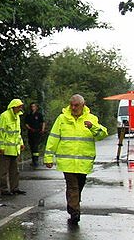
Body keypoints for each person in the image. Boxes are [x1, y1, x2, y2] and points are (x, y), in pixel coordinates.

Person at [44, 94, 109, 225]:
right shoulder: (62, 119)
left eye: (76, 105)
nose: (73, 108)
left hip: (84, 163)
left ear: (83, 105)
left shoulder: (91, 119)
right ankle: (74, 213)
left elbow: (102, 135)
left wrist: (92, 127)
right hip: (67, 162)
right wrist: (48, 157)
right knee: (72, 187)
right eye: (71, 105)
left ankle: (73, 205)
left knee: (79, 186)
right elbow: (53, 138)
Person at [0, 98, 26, 196]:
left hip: (14, 149)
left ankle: (15, 188)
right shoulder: (4, 116)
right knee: (4, 171)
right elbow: (0, 132)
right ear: (13, 107)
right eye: (19, 107)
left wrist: (21, 143)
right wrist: (1, 146)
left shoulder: (17, 116)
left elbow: (18, 132)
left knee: (15, 171)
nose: (20, 109)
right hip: (6, 149)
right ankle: (4, 189)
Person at [23, 102, 47, 168]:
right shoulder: (28, 115)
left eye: (34, 106)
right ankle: (33, 159)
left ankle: (36, 160)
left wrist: (42, 129)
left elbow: (43, 122)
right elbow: (26, 124)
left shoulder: (39, 115)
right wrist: (30, 128)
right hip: (31, 132)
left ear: (36, 107)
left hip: (37, 132)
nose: (32, 108)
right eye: (31, 106)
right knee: (31, 146)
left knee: (35, 146)